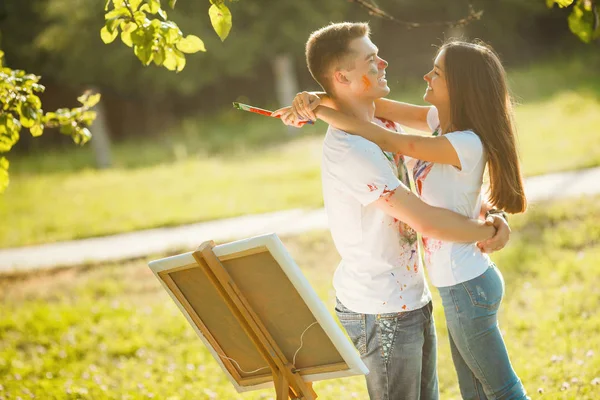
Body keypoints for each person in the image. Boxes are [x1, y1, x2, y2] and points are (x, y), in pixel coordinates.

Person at [272, 23, 510, 400]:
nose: (384, 62)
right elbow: (426, 219)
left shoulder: (378, 120)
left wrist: (319, 100)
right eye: (371, 59)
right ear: (344, 75)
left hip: (412, 295)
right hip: (380, 307)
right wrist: (489, 231)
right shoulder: (352, 149)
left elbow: (375, 114)